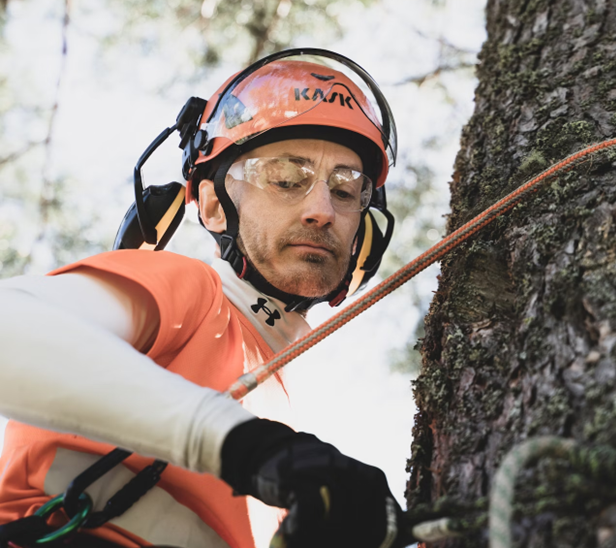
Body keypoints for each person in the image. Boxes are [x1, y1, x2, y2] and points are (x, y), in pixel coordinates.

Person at [0, 49, 408, 548]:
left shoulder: (285, 400)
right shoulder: (191, 291)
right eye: (285, 177)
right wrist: (241, 445)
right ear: (214, 204)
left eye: (346, 189)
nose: (322, 209)